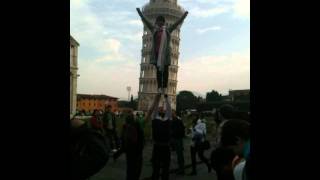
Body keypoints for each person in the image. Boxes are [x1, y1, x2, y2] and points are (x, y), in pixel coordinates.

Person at [136, 8, 188, 93]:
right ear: (156, 22)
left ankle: (164, 87)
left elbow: (176, 24)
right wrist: (140, 13)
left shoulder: (167, 30)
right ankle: (160, 87)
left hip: (165, 55)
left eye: (161, 21)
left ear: (163, 23)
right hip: (157, 55)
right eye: (158, 21)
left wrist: (183, 17)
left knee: (166, 71)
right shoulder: (154, 30)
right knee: (159, 72)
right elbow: (146, 21)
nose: (160, 23)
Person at [146, 93, 172, 180]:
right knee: (165, 168)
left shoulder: (155, 120)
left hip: (157, 146)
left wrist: (157, 99)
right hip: (166, 147)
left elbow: (156, 110)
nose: (162, 110)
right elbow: (169, 110)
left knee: (156, 168)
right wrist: (166, 98)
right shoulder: (168, 121)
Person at [113, 112, 145, 180]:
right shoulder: (135, 127)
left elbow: (124, 139)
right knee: (135, 170)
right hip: (135, 153)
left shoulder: (126, 127)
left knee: (130, 170)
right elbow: (136, 140)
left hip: (130, 152)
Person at [170, 110, 185, 175]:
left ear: (175, 114)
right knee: (179, 154)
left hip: (178, 139)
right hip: (175, 139)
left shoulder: (178, 121)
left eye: (172, 114)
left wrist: (173, 133)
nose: (171, 115)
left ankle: (181, 169)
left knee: (179, 154)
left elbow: (181, 130)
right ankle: (180, 168)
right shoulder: (173, 121)